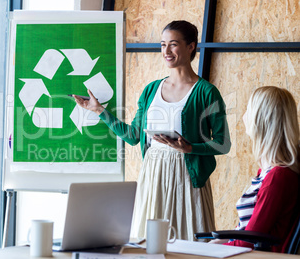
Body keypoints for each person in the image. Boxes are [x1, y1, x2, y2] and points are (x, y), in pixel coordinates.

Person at [73, 20, 231, 240]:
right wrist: (99, 110)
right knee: (150, 242)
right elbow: (133, 137)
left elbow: (223, 143)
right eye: (162, 44)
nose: (166, 51)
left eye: (173, 44)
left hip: (187, 175)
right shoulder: (151, 90)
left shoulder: (207, 92)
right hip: (153, 173)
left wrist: (190, 147)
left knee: (190, 238)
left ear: (191, 46)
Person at [210, 86, 299, 253]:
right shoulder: (267, 173)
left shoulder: (278, 178)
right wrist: (215, 243)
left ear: (261, 120)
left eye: (248, 110)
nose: (244, 116)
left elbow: (249, 242)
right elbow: (247, 233)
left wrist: (214, 250)